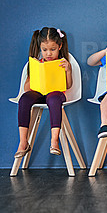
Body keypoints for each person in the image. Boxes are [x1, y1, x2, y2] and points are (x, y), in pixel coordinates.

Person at [14, 27, 73, 158]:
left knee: (53, 99)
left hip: (55, 94)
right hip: (39, 93)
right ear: (40, 49)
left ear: (60, 46)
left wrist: (68, 70)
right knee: (24, 99)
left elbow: (68, 85)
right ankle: (23, 142)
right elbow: (26, 88)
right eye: (44, 50)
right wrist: (35, 72)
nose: (48, 54)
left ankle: (54, 140)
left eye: (53, 49)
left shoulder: (63, 63)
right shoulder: (38, 63)